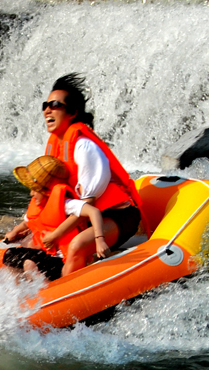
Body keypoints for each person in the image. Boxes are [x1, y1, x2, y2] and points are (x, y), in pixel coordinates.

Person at [41, 73, 148, 276]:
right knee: (36, 241)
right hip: (84, 215)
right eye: (45, 105)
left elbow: (88, 203)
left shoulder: (84, 146)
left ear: (72, 112)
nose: (47, 109)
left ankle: (65, 299)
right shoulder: (56, 146)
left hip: (117, 215)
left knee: (77, 245)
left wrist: (58, 233)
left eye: (54, 104)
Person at [3, 155, 109, 281]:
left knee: (29, 263)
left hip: (59, 260)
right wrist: (15, 231)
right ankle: (16, 289)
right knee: (10, 256)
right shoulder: (39, 205)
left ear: (46, 190)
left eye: (34, 190)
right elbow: (27, 222)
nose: (31, 193)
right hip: (45, 253)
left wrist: (100, 240)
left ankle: (42, 294)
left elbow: (94, 212)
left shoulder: (66, 204)